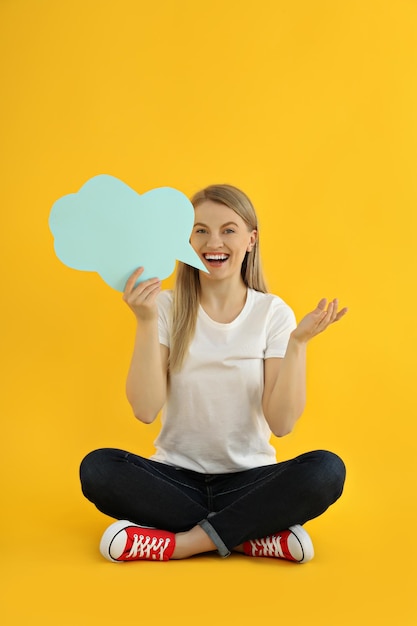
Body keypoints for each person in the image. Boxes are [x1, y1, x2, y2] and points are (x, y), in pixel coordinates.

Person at [80, 184, 347, 564]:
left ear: (251, 239)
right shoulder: (165, 307)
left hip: (250, 481)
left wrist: (298, 345)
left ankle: (184, 544)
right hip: (174, 479)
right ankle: (248, 538)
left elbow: (282, 423)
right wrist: (144, 321)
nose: (213, 241)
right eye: (200, 230)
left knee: (325, 471)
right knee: (99, 469)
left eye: (228, 229)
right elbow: (144, 409)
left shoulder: (273, 313)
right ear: (185, 239)